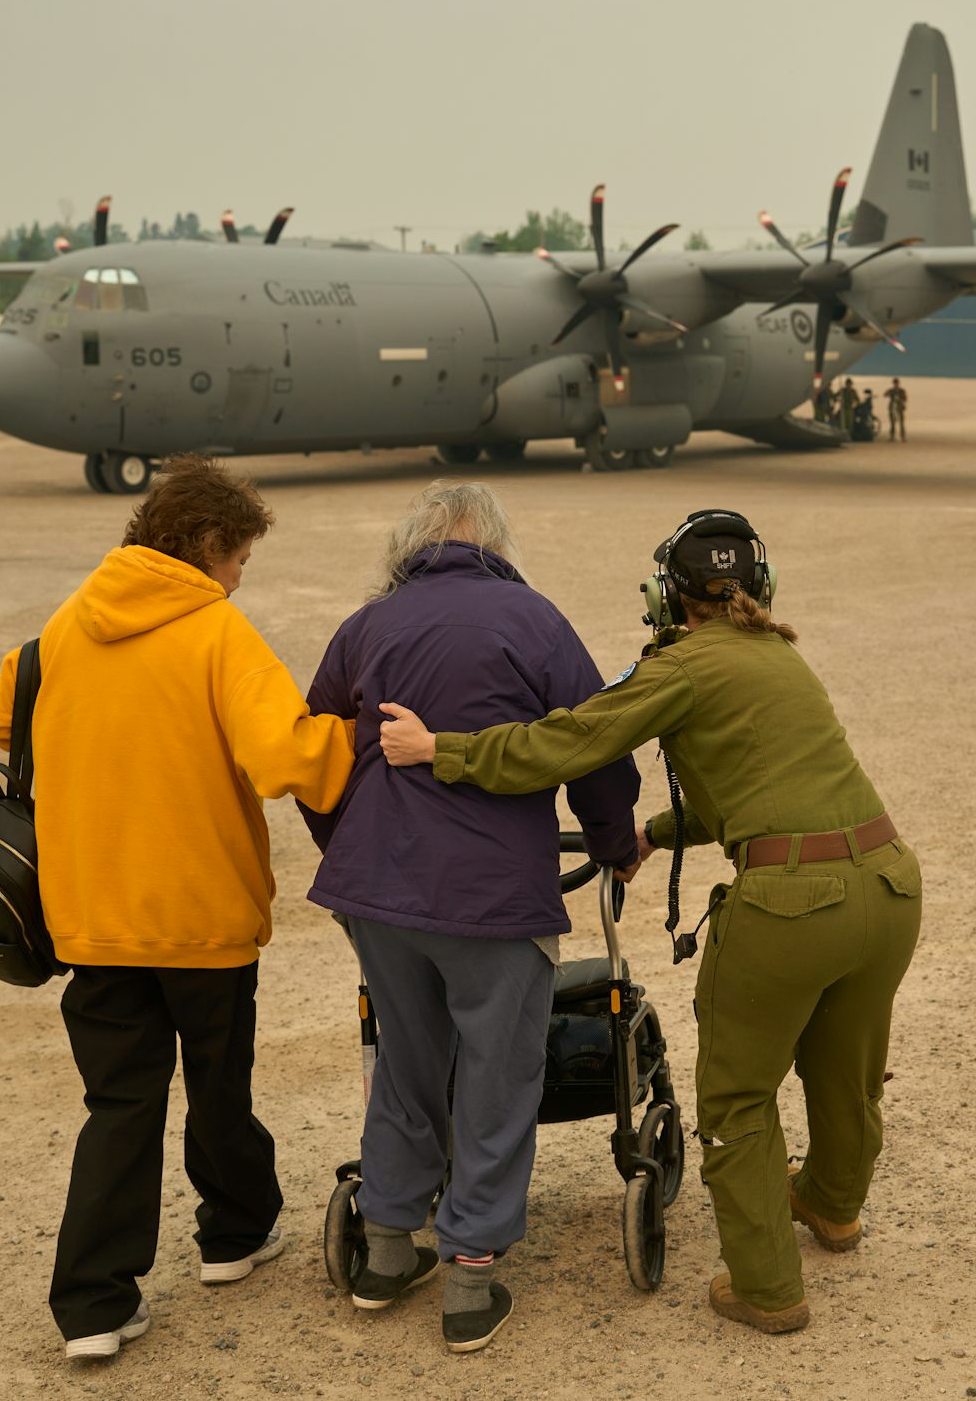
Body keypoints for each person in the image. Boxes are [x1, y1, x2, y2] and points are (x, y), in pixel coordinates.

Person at [376, 509, 921, 1335]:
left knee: (738, 1098)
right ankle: (835, 1208)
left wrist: (439, 751)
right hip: (888, 885)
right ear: (757, 587)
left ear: (668, 596)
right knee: (843, 1070)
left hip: (791, 905)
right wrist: (654, 835)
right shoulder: (779, 654)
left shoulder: (682, 665)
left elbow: (566, 744)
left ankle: (768, 1291)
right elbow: (763, 792)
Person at [0, 455, 357, 1361]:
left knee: (119, 1103)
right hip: (201, 915)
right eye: (239, 560)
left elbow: (2, 714)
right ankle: (233, 1234)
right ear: (210, 544)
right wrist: (354, 737)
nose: (238, 577)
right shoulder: (216, 634)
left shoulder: (67, 626)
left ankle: (93, 1305)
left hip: (92, 916)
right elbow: (285, 757)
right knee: (218, 1083)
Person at [300, 482, 639, 1353]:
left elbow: (313, 746)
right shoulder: (533, 620)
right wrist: (611, 841)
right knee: (496, 1076)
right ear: (493, 542)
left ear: (411, 544)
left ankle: (384, 1250)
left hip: (378, 892)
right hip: (492, 897)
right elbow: (596, 745)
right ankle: (470, 1275)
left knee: (408, 1060)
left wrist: (345, 842)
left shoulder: (367, 625)